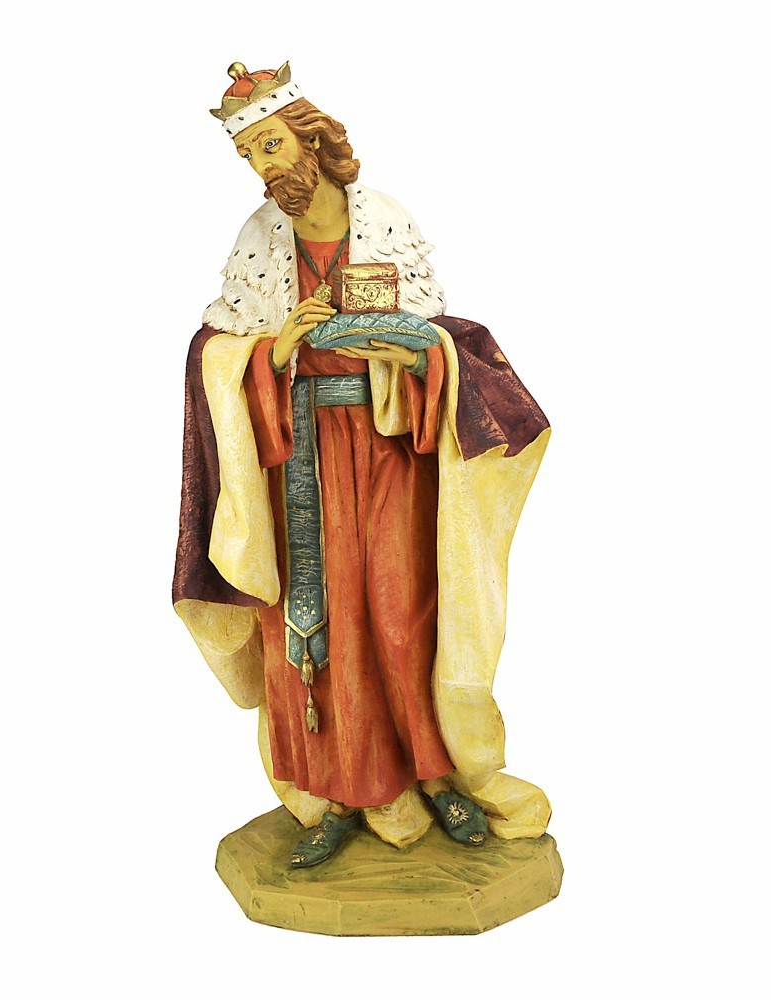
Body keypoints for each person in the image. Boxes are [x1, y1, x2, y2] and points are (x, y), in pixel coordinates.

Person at [173, 62, 554, 867]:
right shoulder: (259, 239)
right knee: (312, 623)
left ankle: (434, 777)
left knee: (402, 612)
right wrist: (275, 348)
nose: (264, 167)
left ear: (310, 137)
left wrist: (411, 355)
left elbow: (440, 340)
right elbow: (215, 351)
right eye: (249, 154)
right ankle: (333, 792)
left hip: (386, 453)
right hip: (297, 455)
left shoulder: (384, 219)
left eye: (271, 145)